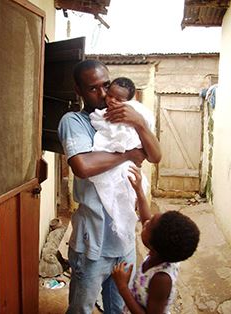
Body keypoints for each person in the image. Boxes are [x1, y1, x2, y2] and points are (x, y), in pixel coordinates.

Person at [58, 59, 161, 314]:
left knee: (118, 307)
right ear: (79, 91)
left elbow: (155, 156)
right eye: (94, 88)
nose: (104, 94)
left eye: (106, 84)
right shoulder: (74, 121)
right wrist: (128, 154)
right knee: (81, 308)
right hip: (93, 243)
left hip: (124, 241)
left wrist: (139, 123)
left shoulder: (127, 115)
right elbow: (82, 165)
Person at [112, 166, 200, 314]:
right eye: (152, 219)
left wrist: (122, 287)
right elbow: (147, 218)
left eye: (148, 226)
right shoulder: (163, 251)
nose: (145, 222)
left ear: (153, 246)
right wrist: (139, 190)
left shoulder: (161, 279)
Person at [89, 77, 155, 241]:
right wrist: (127, 153)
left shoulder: (132, 113)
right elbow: (99, 121)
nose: (111, 100)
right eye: (110, 95)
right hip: (112, 160)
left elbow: (152, 153)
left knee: (125, 194)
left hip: (126, 165)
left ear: (128, 101)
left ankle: (124, 224)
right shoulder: (101, 111)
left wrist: (137, 126)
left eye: (118, 99)